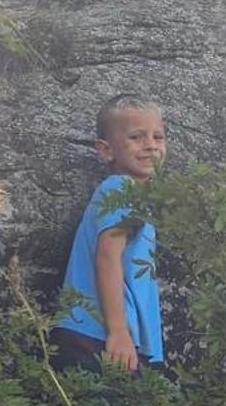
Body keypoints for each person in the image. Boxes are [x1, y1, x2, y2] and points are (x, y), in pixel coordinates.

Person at [52, 94, 168, 374]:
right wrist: (117, 332)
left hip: (103, 335)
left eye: (158, 136)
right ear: (106, 150)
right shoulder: (119, 189)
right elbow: (107, 256)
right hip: (97, 334)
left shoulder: (137, 197)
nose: (150, 145)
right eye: (136, 137)